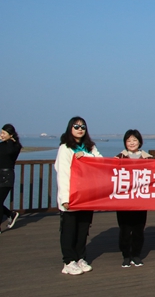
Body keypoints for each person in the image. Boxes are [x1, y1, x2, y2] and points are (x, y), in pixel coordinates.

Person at [55, 117, 102, 275]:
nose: (80, 129)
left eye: (83, 127)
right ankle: (68, 261)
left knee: (83, 228)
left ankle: (80, 257)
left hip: (87, 194)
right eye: (76, 126)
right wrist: (65, 198)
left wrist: (86, 156)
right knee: (69, 229)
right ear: (70, 128)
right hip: (72, 194)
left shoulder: (90, 147)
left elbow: (100, 162)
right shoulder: (65, 148)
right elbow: (63, 173)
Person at [114, 129, 153, 267]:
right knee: (124, 229)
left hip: (141, 199)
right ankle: (126, 255)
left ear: (140, 142)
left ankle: (136, 255)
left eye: (134, 140)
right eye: (129, 140)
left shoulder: (148, 158)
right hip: (123, 200)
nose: (132, 143)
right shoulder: (118, 158)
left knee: (138, 229)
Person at [0, 124, 21, 233]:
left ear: (11, 134)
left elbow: (9, 152)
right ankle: (10, 214)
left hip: (7, 176)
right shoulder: (2, 145)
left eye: (4, 133)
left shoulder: (15, 146)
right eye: (1, 133)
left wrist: (10, 142)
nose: (1, 135)